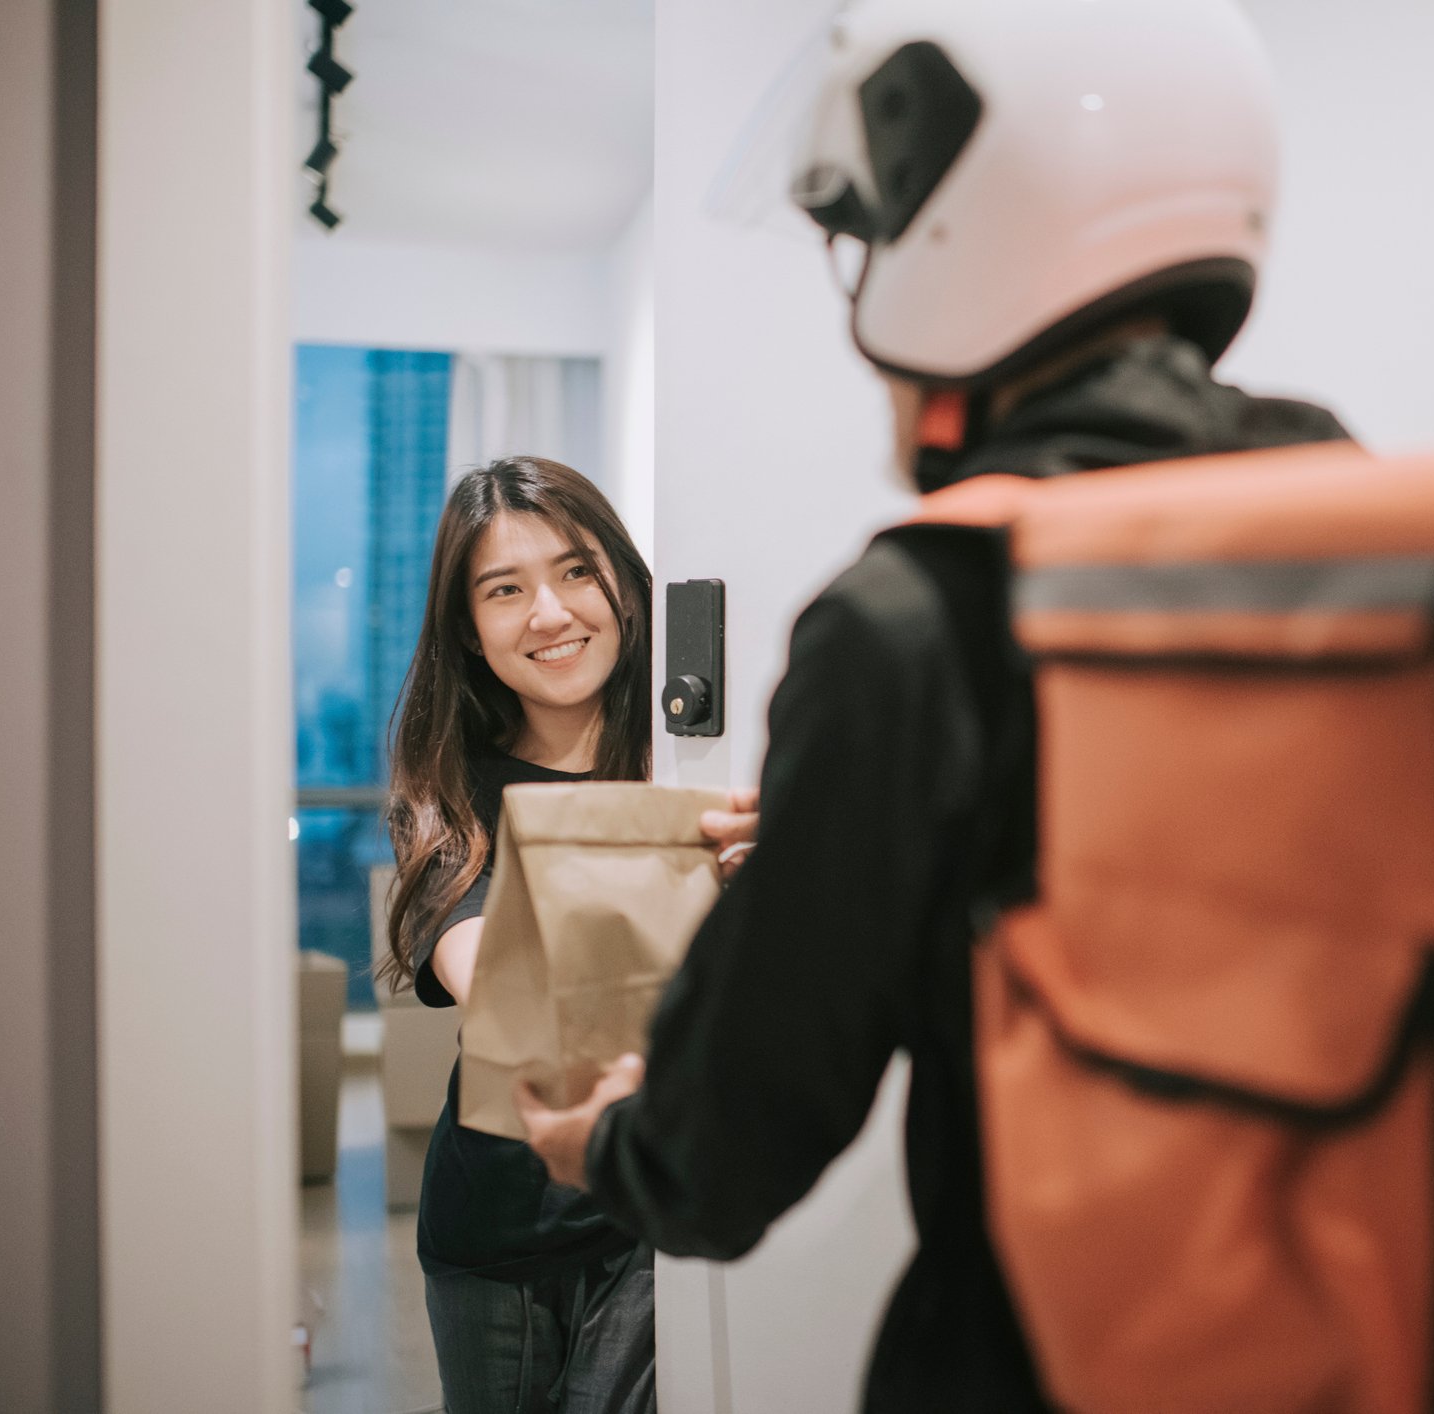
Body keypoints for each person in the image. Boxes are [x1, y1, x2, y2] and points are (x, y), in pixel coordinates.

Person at [515, 1, 1352, 1408]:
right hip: (1365, 1320)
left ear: (973, 233)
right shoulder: (1355, 508)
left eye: (879, 235)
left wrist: (599, 1140)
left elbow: (721, 1161)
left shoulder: (912, 624)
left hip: (1054, 1357)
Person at [380, 456, 658, 1414]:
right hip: (496, 1233)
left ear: (623, 579)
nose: (551, 613)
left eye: (578, 570)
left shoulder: (700, 761)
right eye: (507, 589)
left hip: (653, 1215)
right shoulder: (449, 798)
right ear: (469, 628)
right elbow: (490, 977)